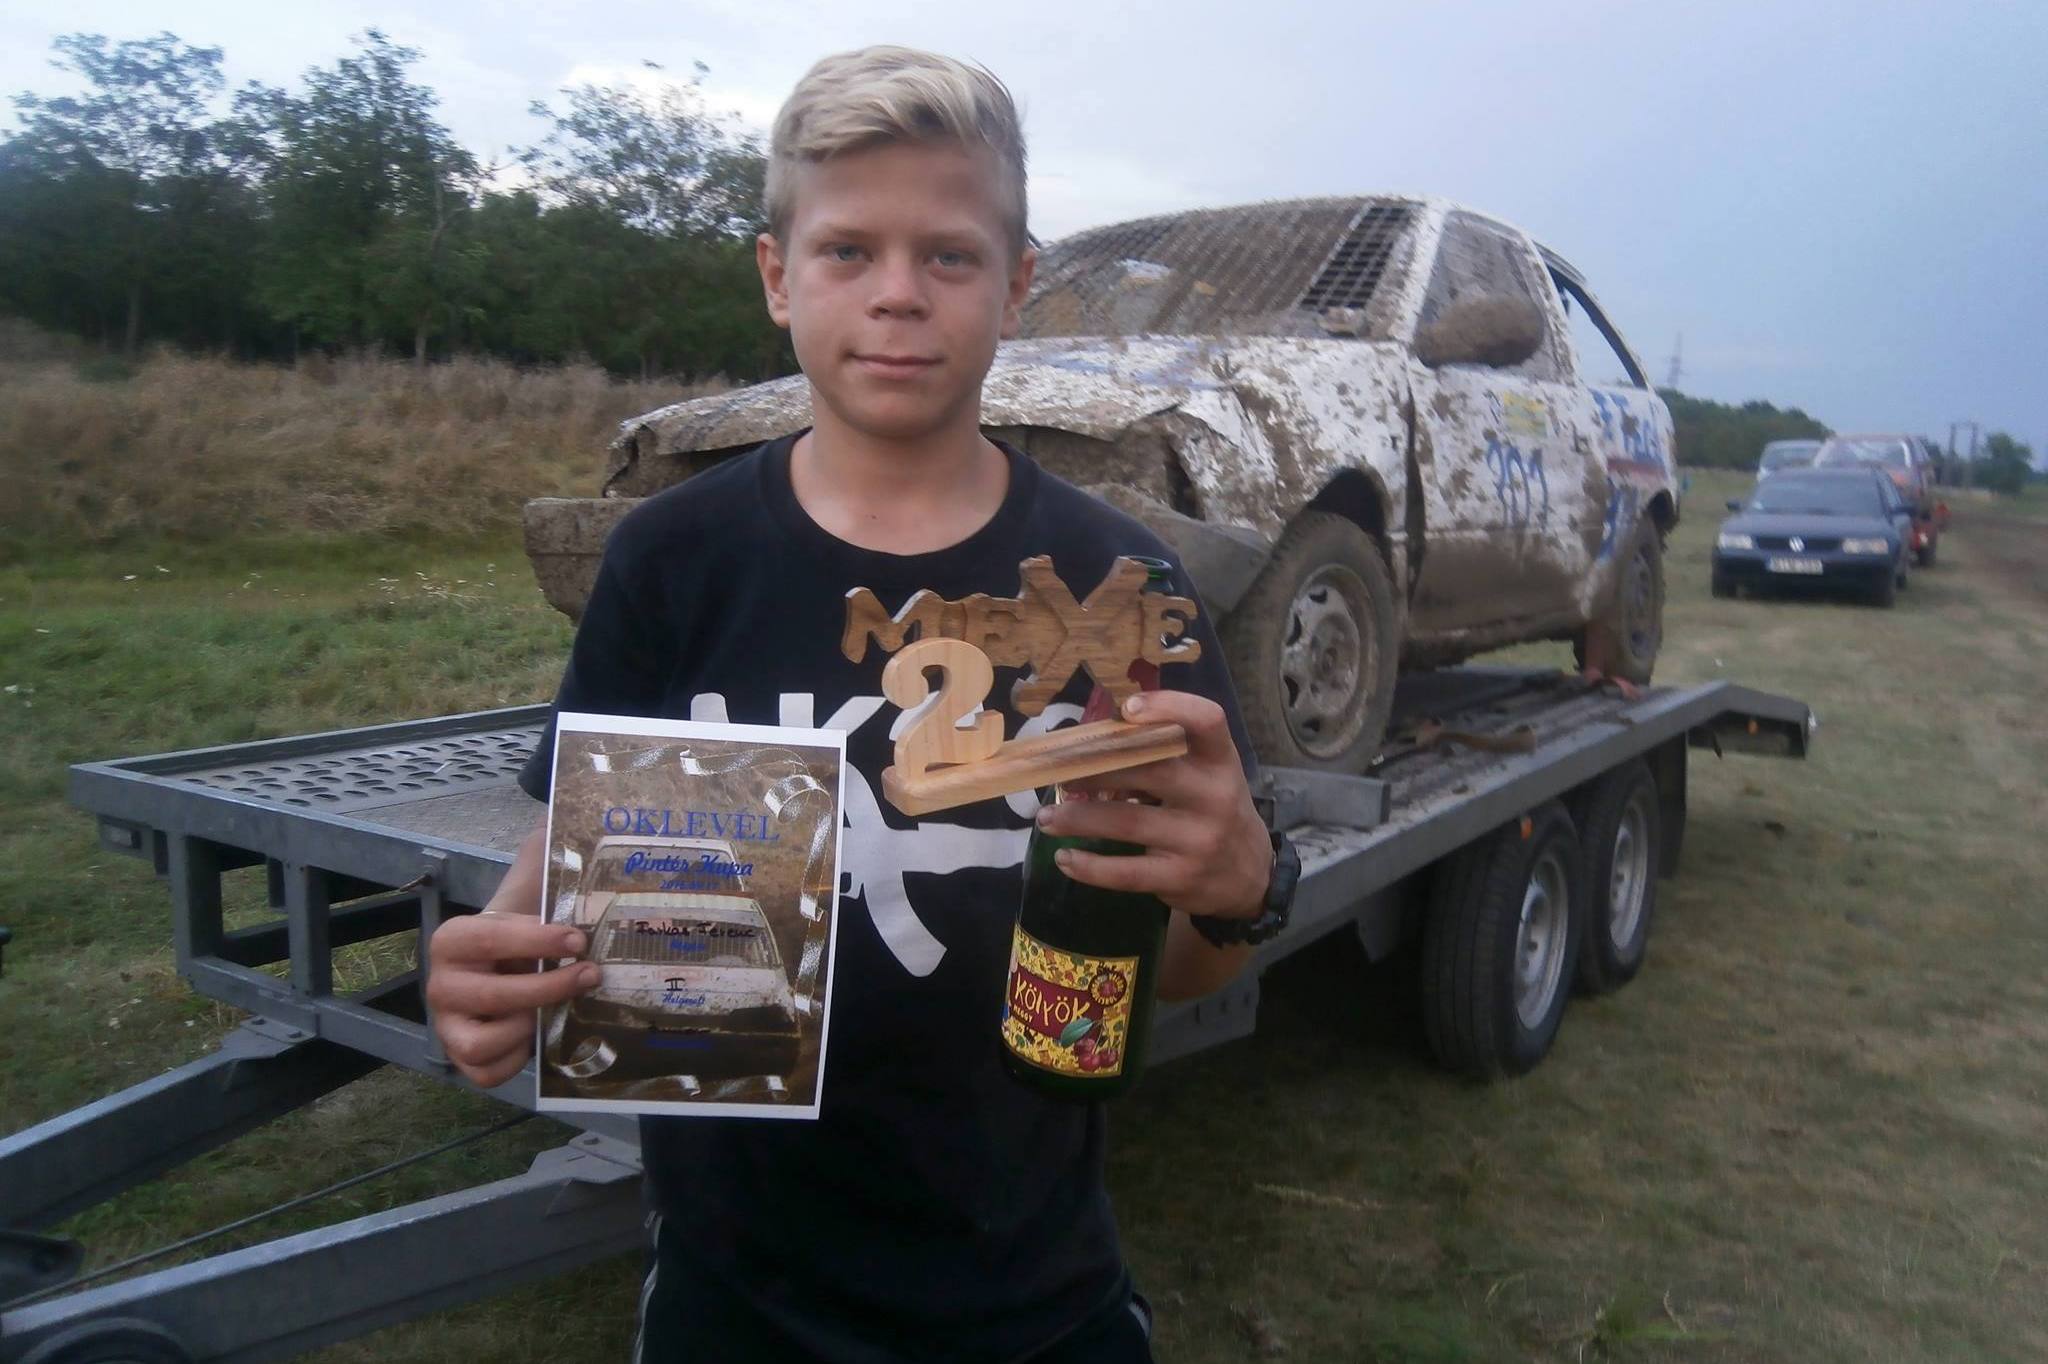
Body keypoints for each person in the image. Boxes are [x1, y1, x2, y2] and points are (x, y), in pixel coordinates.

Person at [426, 45, 1287, 1363]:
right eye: (847, 251)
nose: (898, 293)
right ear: (779, 277)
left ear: (1015, 286)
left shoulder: (1120, 590)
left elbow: (1179, 968)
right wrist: (496, 959)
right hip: (732, 1299)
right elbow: (576, 850)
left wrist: (1235, 890)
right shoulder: (672, 560)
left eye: (948, 255)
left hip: (1035, 1298)